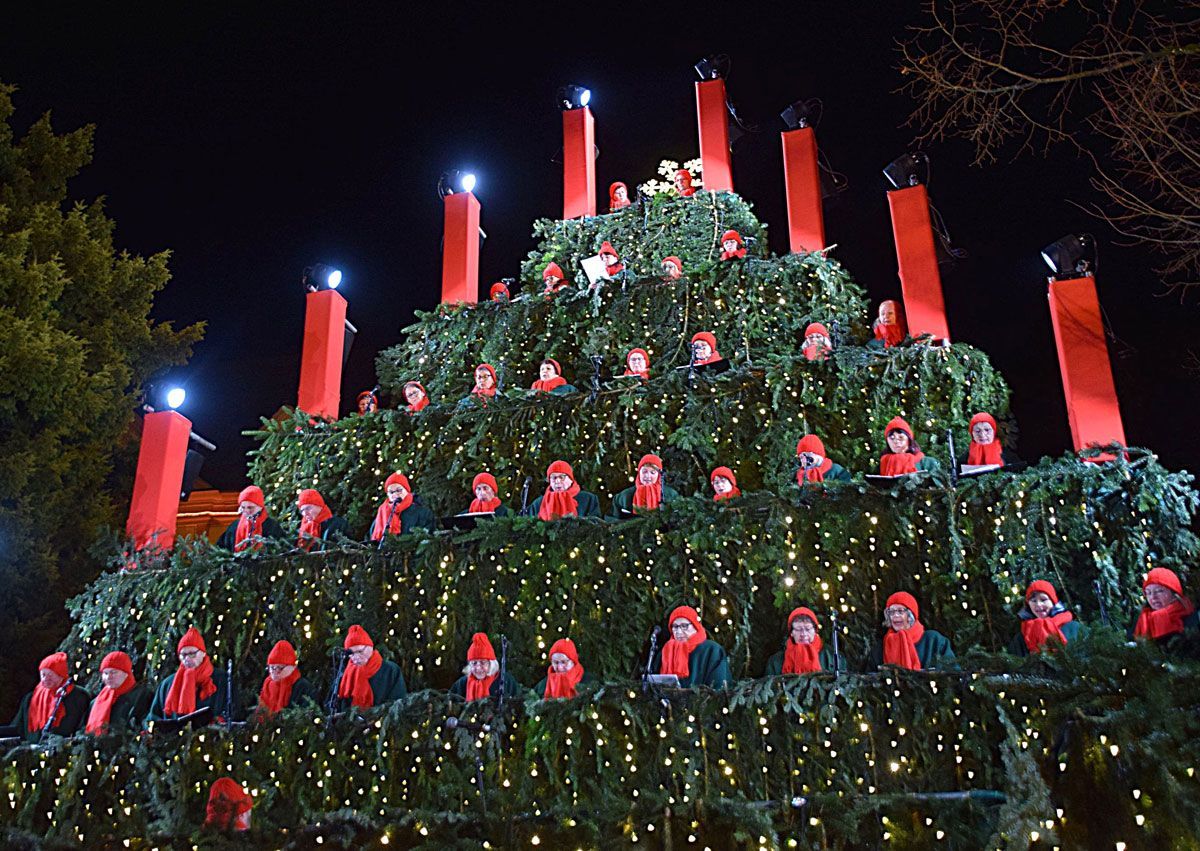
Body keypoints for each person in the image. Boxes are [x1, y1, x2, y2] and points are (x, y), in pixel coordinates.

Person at [146, 628, 236, 724]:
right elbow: (153, 718)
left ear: (203, 653)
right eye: (183, 655)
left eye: (192, 654)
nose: (187, 659)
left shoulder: (222, 679)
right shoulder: (168, 684)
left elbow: (234, 713)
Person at [8, 652, 91, 742]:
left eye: (50, 675)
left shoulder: (80, 696)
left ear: (61, 675)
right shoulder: (30, 698)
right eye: (43, 675)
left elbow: (83, 727)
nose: (45, 679)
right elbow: (16, 728)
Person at [869, 593, 955, 671]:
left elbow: (953, 673)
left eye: (900, 611)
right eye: (891, 612)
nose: (895, 615)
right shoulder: (882, 646)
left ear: (910, 616)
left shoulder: (934, 640)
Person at [652, 606, 732, 689]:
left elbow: (720, 687)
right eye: (675, 627)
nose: (679, 631)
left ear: (695, 626)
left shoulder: (712, 650)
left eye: (684, 626)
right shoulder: (666, 652)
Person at [336, 624, 407, 711]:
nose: (356, 656)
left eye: (360, 651)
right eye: (351, 653)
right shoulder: (346, 674)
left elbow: (398, 703)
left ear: (370, 647)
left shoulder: (390, 669)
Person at [1008, 580, 1083, 657]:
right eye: (1033, 601)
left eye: (1043, 600)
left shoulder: (1073, 628)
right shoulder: (1021, 638)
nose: (1039, 604)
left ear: (1053, 601)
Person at [1130, 567, 1198, 651]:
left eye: (1159, 591)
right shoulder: (1141, 619)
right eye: (1148, 593)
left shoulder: (1190, 618)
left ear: (1174, 593)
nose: (1153, 597)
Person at [85, 651, 151, 735]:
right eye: (105, 673)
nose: (108, 677)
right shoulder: (96, 702)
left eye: (114, 672)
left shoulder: (143, 695)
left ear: (126, 673)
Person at [762, 607, 844, 675]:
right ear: (791, 633)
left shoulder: (832, 657)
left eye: (808, 629)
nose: (803, 634)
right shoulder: (776, 661)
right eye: (798, 629)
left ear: (815, 630)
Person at [448, 633, 524, 700]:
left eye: (482, 662)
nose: (478, 668)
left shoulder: (506, 681)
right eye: (474, 663)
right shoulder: (462, 684)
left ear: (491, 664)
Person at [254, 640, 317, 716]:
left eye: (280, 667)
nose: (275, 671)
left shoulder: (304, 687)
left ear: (292, 667)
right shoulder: (267, 686)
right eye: (272, 667)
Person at [608, 454, 681, 518]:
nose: (648, 476)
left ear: (658, 475)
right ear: (639, 473)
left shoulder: (671, 495)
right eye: (644, 471)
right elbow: (612, 522)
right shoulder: (623, 497)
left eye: (652, 472)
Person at [216, 485, 286, 552]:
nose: (246, 511)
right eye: (243, 507)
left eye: (250, 507)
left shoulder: (272, 526)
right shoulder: (234, 526)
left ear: (260, 507)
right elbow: (221, 549)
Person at [525, 460, 601, 520]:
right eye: (554, 478)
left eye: (562, 477)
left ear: (571, 479)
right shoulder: (538, 503)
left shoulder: (588, 499)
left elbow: (596, 527)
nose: (557, 481)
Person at [369, 472, 436, 539]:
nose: (395, 495)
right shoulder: (381, 515)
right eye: (391, 492)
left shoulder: (423, 513)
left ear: (407, 490)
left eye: (399, 490)